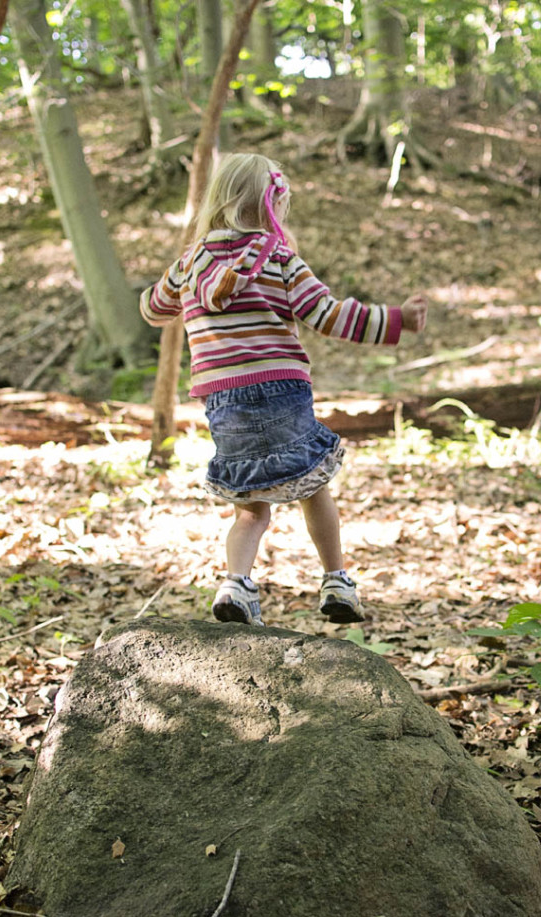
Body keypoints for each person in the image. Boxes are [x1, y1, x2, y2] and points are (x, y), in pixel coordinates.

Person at [140, 153, 427, 627]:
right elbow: (332, 316)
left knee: (250, 511)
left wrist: (177, 287)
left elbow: (153, 309)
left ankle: (236, 586)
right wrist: (396, 319)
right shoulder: (279, 261)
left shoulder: (189, 263)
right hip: (282, 391)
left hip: (224, 404)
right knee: (313, 485)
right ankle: (336, 580)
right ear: (273, 204)